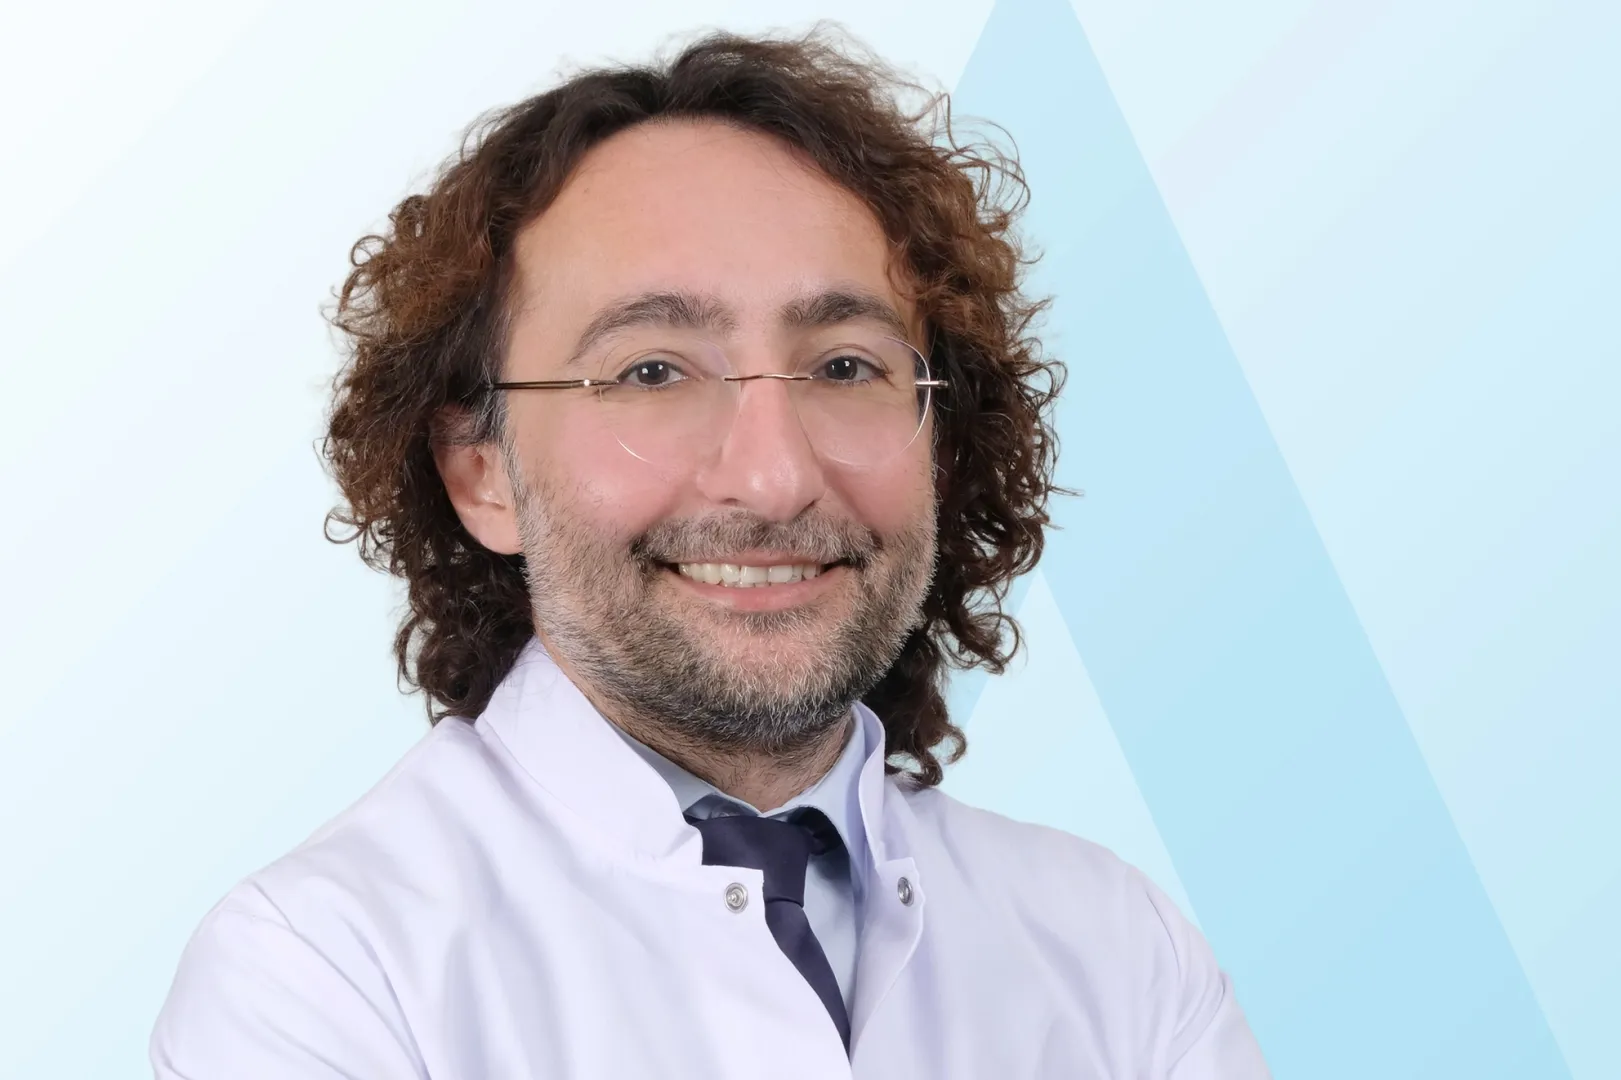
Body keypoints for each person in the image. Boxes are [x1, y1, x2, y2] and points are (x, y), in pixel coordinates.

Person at [151, 26, 1268, 1079]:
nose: (775, 477)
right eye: (651, 372)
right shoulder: (322, 976)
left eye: (845, 367)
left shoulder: (1122, 957)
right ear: (479, 471)